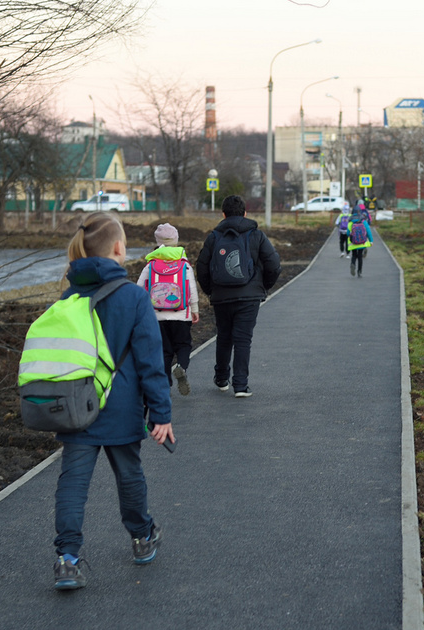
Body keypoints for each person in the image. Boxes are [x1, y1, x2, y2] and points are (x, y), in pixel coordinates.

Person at [51, 212, 175, 591]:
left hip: (76, 407)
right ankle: (141, 538)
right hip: (120, 407)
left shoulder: (69, 297)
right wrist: (161, 413)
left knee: (73, 483)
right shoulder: (134, 298)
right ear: (119, 248)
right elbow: (151, 362)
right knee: (129, 475)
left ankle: (67, 559)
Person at [195, 195, 281, 398]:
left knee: (224, 337)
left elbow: (201, 267)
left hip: (221, 296)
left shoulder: (214, 237)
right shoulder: (256, 235)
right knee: (243, 340)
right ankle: (241, 385)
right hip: (249, 297)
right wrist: (261, 287)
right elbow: (273, 265)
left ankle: (222, 378)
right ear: (245, 213)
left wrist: (210, 290)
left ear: (223, 214)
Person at [137, 223, 199, 395]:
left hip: (157, 317)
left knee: (164, 351)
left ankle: (165, 384)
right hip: (181, 315)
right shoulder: (184, 264)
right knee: (184, 345)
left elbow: (139, 288)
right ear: (176, 241)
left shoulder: (151, 265)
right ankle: (181, 367)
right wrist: (195, 309)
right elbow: (192, 289)